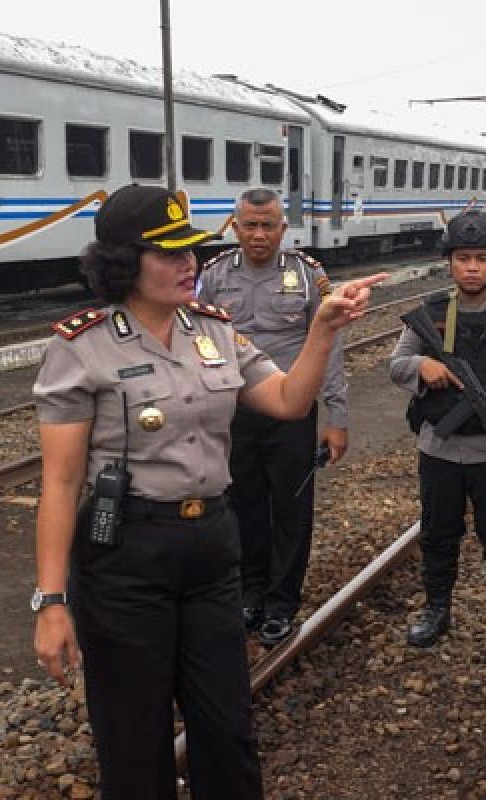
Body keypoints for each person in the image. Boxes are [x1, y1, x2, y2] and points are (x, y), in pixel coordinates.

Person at [31, 184, 383, 799]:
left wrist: (323, 329)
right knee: (134, 742)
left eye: (190, 250)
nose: (187, 263)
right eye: (168, 253)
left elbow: (286, 400)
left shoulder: (215, 331)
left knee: (228, 730)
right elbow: (60, 483)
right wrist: (52, 601)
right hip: (125, 558)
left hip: (212, 550)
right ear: (122, 262)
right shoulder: (80, 348)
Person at [387, 210, 486, 656]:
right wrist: (424, 366)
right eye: (462, 258)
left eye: (481, 258)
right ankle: (437, 607)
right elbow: (396, 365)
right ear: (449, 262)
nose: (471, 267)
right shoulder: (428, 313)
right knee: (439, 533)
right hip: (439, 449)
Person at [196, 188, 348, 647]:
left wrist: (336, 417)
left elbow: (331, 347)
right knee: (242, 507)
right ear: (234, 227)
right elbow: (193, 332)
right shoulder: (214, 276)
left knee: (290, 509)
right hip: (234, 413)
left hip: (292, 414)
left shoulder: (308, 277)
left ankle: (282, 601)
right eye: (250, 225)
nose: (259, 235)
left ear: (284, 229)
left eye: (268, 226)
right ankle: (250, 593)